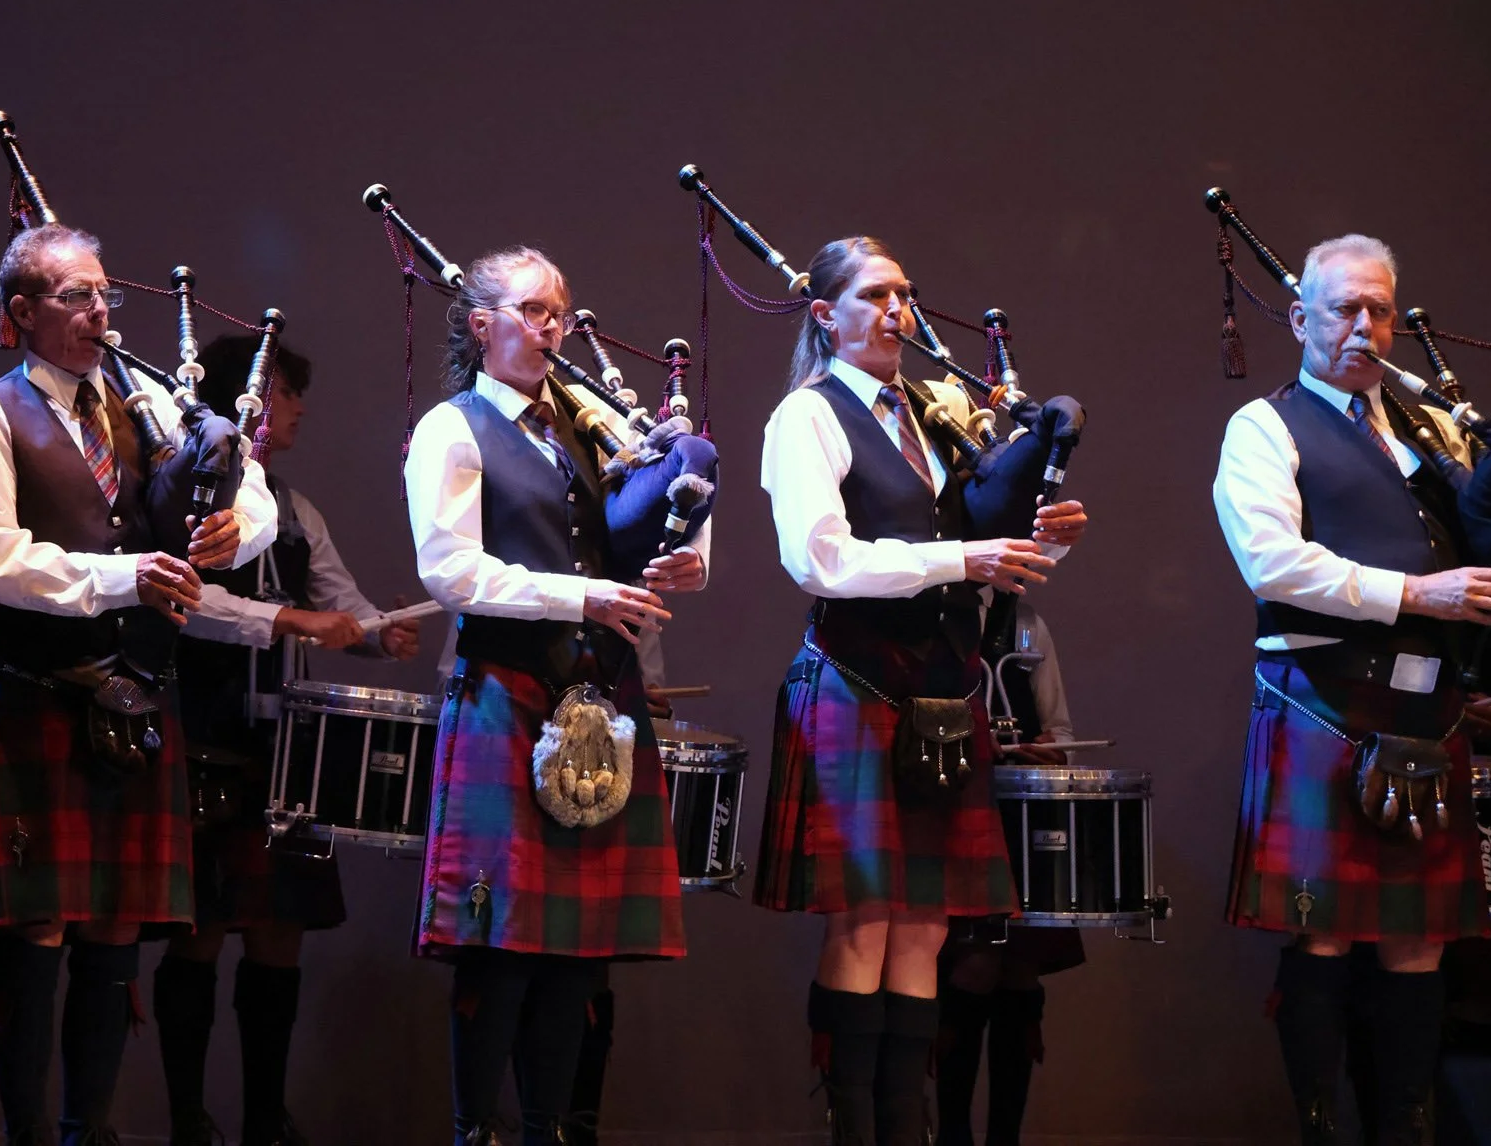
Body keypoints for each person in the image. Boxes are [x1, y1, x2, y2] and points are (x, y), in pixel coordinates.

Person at [0, 223, 276, 1146]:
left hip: (138, 693)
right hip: (44, 690)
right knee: (40, 931)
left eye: (104, 296)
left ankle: (88, 1130)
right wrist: (133, 575)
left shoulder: (144, 404)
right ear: (21, 312)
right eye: (75, 298)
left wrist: (228, 537)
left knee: (115, 933)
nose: (99, 314)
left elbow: (253, 496)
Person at [754, 236, 1088, 1146]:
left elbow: (978, 555)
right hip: (858, 686)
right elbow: (819, 559)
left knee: (928, 935)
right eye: (875, 295)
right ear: (826, 315)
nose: (899, 310)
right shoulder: (808, 418)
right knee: (864, 930)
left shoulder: (937, 416)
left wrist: (1038, 540)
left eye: (905, 294)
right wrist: (964, 555)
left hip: (946, 698)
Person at [1212, 232, 1491, 1146]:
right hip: (1325, 701)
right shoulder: (1265, 427)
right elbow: (1272, 563)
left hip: (1430, 713)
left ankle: (1407, 1129)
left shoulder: (1432, 433)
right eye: (1344, 308)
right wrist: (1416, 594)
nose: (1363, 326)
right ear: (1301, 317)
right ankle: (1321, 1130)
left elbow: (1473, 552)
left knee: (1418, 939)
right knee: (1325, 935)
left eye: (1379, 309)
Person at [403, 246, 710, 1146]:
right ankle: (477, 1131)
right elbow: (451, 571)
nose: (553, 329)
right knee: (499, 948)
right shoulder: (452, 430)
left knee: (577, 953)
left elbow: (653, 524)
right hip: (507, 691)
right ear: (481, 324)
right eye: (534, 312)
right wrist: (583, 596)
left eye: (562, 313)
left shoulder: (591, 426)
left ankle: (548, 1131)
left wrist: (686, 562)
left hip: (597, 703)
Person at [154, 333, 421, 1146]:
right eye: (283, 392)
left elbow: (341, 602)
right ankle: (187, 1122)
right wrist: (293, 619)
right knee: (197, 931)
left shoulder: (296, 512)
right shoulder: (193, 501)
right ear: (245, 404)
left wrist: (381, 633)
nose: (298, 407)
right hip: (202, 734)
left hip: (284, 755)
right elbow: (189, 604)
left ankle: (266, 1121)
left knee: (279, 935)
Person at [934, 598, 1082, 1146]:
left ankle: (1005, 1140)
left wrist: (1050, 751)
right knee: (971, 967)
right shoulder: (933, 613)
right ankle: (952, 1135)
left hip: (1023, 816)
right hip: (962, 811)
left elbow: (1061, 731)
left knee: (1020, 970)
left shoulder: (1027, 624)